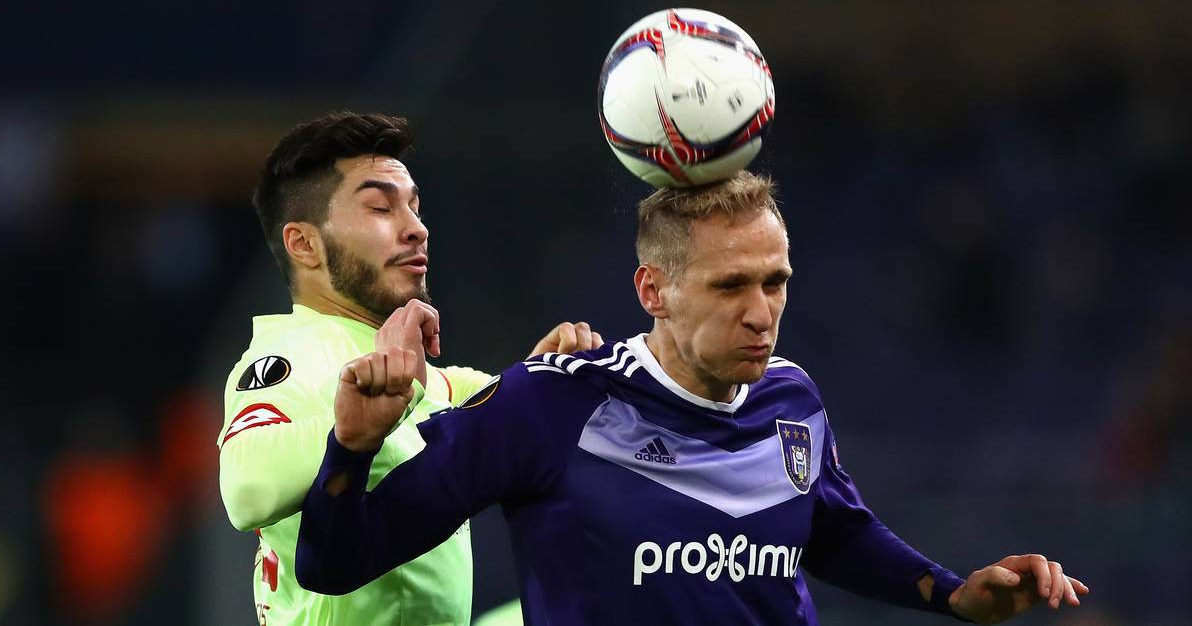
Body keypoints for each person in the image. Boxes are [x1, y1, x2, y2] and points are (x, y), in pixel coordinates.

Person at [294, 171, 1090, 624]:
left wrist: (953, 591)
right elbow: (336, 564)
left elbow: (833, 529)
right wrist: (352, 446)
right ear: (655, 289)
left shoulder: (793, 400)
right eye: (731, 284)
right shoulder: (549, 404)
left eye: (775, 281)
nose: (761, 310)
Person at [218, 111, 599, 625]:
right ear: (304, 244)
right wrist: (355, 426)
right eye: (380, 208)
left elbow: (491, 406)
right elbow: (245, 491)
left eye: (415, 208)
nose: (416, 229)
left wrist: (545, 377)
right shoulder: (290, 354)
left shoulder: (429, 380)